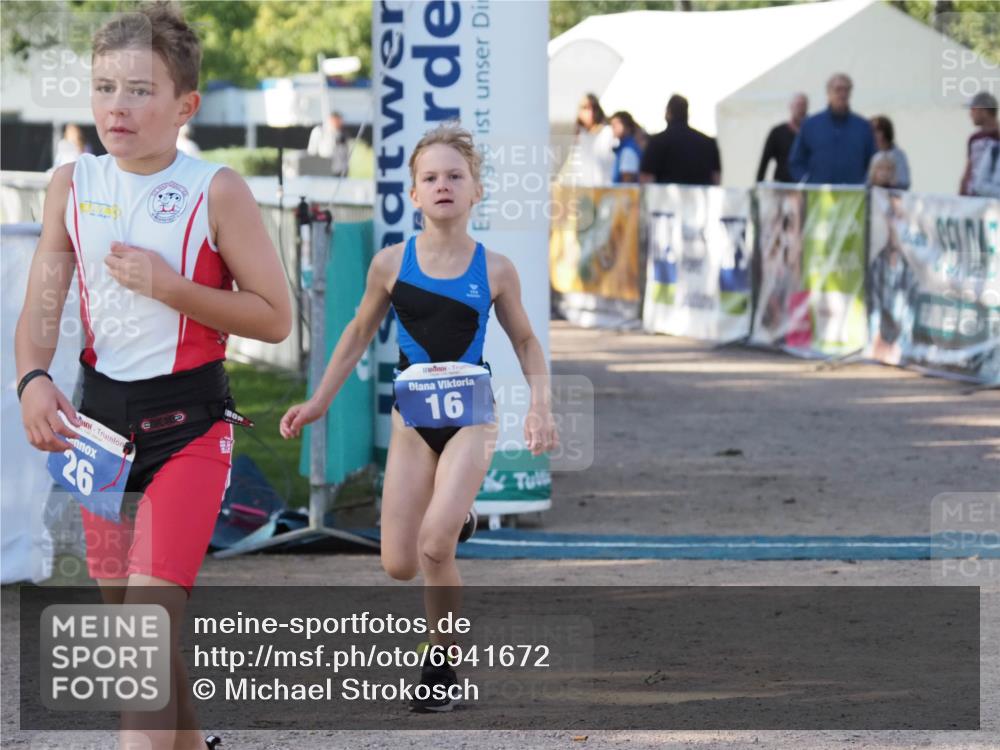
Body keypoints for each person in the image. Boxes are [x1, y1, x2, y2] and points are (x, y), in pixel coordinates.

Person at [15, 4, 291, 749]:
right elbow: (44, 303)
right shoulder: (70, 184)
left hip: (190, 434)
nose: (117, 106)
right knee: (146, 649)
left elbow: (274, 318)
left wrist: (173, 288)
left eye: (139, 89)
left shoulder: (218, 190)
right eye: (104, 87)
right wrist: (33, 379)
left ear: (185, 105)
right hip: (98, 437)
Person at [279, 123, 558, 713]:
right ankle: (457, 517)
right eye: (429, 178)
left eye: (455, 176)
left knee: (434, 550)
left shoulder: (497, 269)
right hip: (412, 425)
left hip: (473, 421)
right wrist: (319, 402)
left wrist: (541, 406)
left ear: (477, 189)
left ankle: (442, 666)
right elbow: (356, 334)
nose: (442, 186)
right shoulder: (390, 263)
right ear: (412, 194)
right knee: (400, 564)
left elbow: (529, 343)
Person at [788, 73, 875, 185]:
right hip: (818, 196)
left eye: (846, 90)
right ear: (828, 92)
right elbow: (796, 161)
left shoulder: (863, 127)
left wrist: (864, 182)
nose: (842, 94)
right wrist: (807, 181)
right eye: (838, 89)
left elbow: (873, 162)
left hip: (853, 197)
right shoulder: (810, 125)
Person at [639, 94, 721, 185]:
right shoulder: (708, 143)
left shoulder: (657, 142)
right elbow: (717, 178)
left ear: (668, 112)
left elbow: (646, 179)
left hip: (665, 198)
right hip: (699, 198)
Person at [756, 92, 808, 183]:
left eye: (803, 105)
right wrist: (759, 184)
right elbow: (764, 161)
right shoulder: (777, 132)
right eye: (798, 105)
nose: (801, 109)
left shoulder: (812, 133)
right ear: (791, 107)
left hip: (805, 184)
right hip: (782, 186)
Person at [565, 93, 615, 186]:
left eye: (594, 108)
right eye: (585, 108)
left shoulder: (607, 133)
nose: (591, 112)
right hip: (583, 192)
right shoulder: (579, 136)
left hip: (603, 192)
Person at [960, 91, 999, 196]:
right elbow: (969, 169)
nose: (970, 114)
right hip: (973, 198)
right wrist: (962, 192)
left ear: (984, 111)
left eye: (973, 109)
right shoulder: (974, 139)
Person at [868, 115, 910, 189]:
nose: (872, 134)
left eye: (876, 131)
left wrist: (889, 181)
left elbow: (905, 182)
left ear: (885, 132)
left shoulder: (898, 155)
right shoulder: (870, 154)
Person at [307, 110, 350, 177]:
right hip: (323, 169)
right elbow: (312, 151)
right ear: (331, 120)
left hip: (339, 170)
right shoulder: (319, 131)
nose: (340, 123)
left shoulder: (342, 133)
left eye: (340, 121)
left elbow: (345, 153)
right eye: (337, 120)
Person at [609, 111, 644, 184]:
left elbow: (627, 183)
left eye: (615, 125)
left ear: (627, 126)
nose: (613, 129)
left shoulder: (628, 150)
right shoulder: (625, 148)